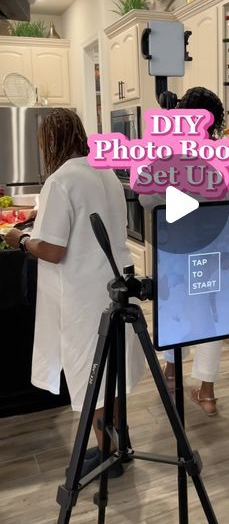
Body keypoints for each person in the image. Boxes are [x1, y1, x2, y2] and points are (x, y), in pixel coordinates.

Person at [5, 108, 145, 476]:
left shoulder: (61, 180)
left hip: (83, 293)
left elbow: (52, 250)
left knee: (91, 375)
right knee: (112, 370)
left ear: (51, 141)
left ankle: (108, 455)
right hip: (114, 286)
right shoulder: (106, 173)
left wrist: (20, 240)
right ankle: (118, 444)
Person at [140, 86, 229, 416]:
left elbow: (145, 197)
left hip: (176, 248)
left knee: (176, 309)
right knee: (210, 316)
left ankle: (172, 375)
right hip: (215, 251)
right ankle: (207, 393)